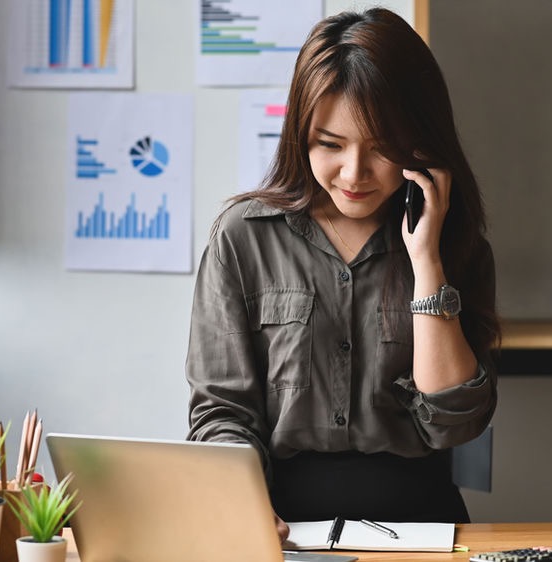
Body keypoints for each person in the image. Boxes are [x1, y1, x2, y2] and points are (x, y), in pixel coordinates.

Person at [186, 8, 500, 541]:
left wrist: (426, 261)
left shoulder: (455, 245)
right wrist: (239, 504)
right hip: (281, 526)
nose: (353, 174)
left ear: (420, 144)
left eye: (381, 148)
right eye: (329, 145)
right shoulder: (243, 238)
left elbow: (456, 422)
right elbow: (221, 412)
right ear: (300, 134)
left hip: (421, 529)